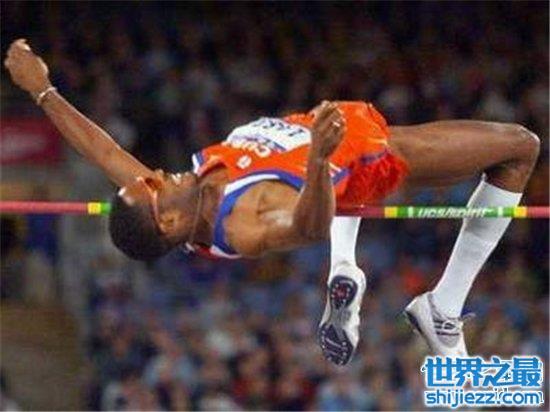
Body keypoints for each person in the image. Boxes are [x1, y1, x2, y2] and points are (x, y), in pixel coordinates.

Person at [4, 39, 540, 366]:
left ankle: (356, 271)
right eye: (152, 186)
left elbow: (102, 150)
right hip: (371, 157)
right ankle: (441, 306)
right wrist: (319, 160)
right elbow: (307, 226)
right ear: (167, 220)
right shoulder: (241, 223)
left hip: (339, 133)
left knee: (512, 147)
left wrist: (42, 91)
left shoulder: (177, 195)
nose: (154, 175)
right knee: (520, 147)